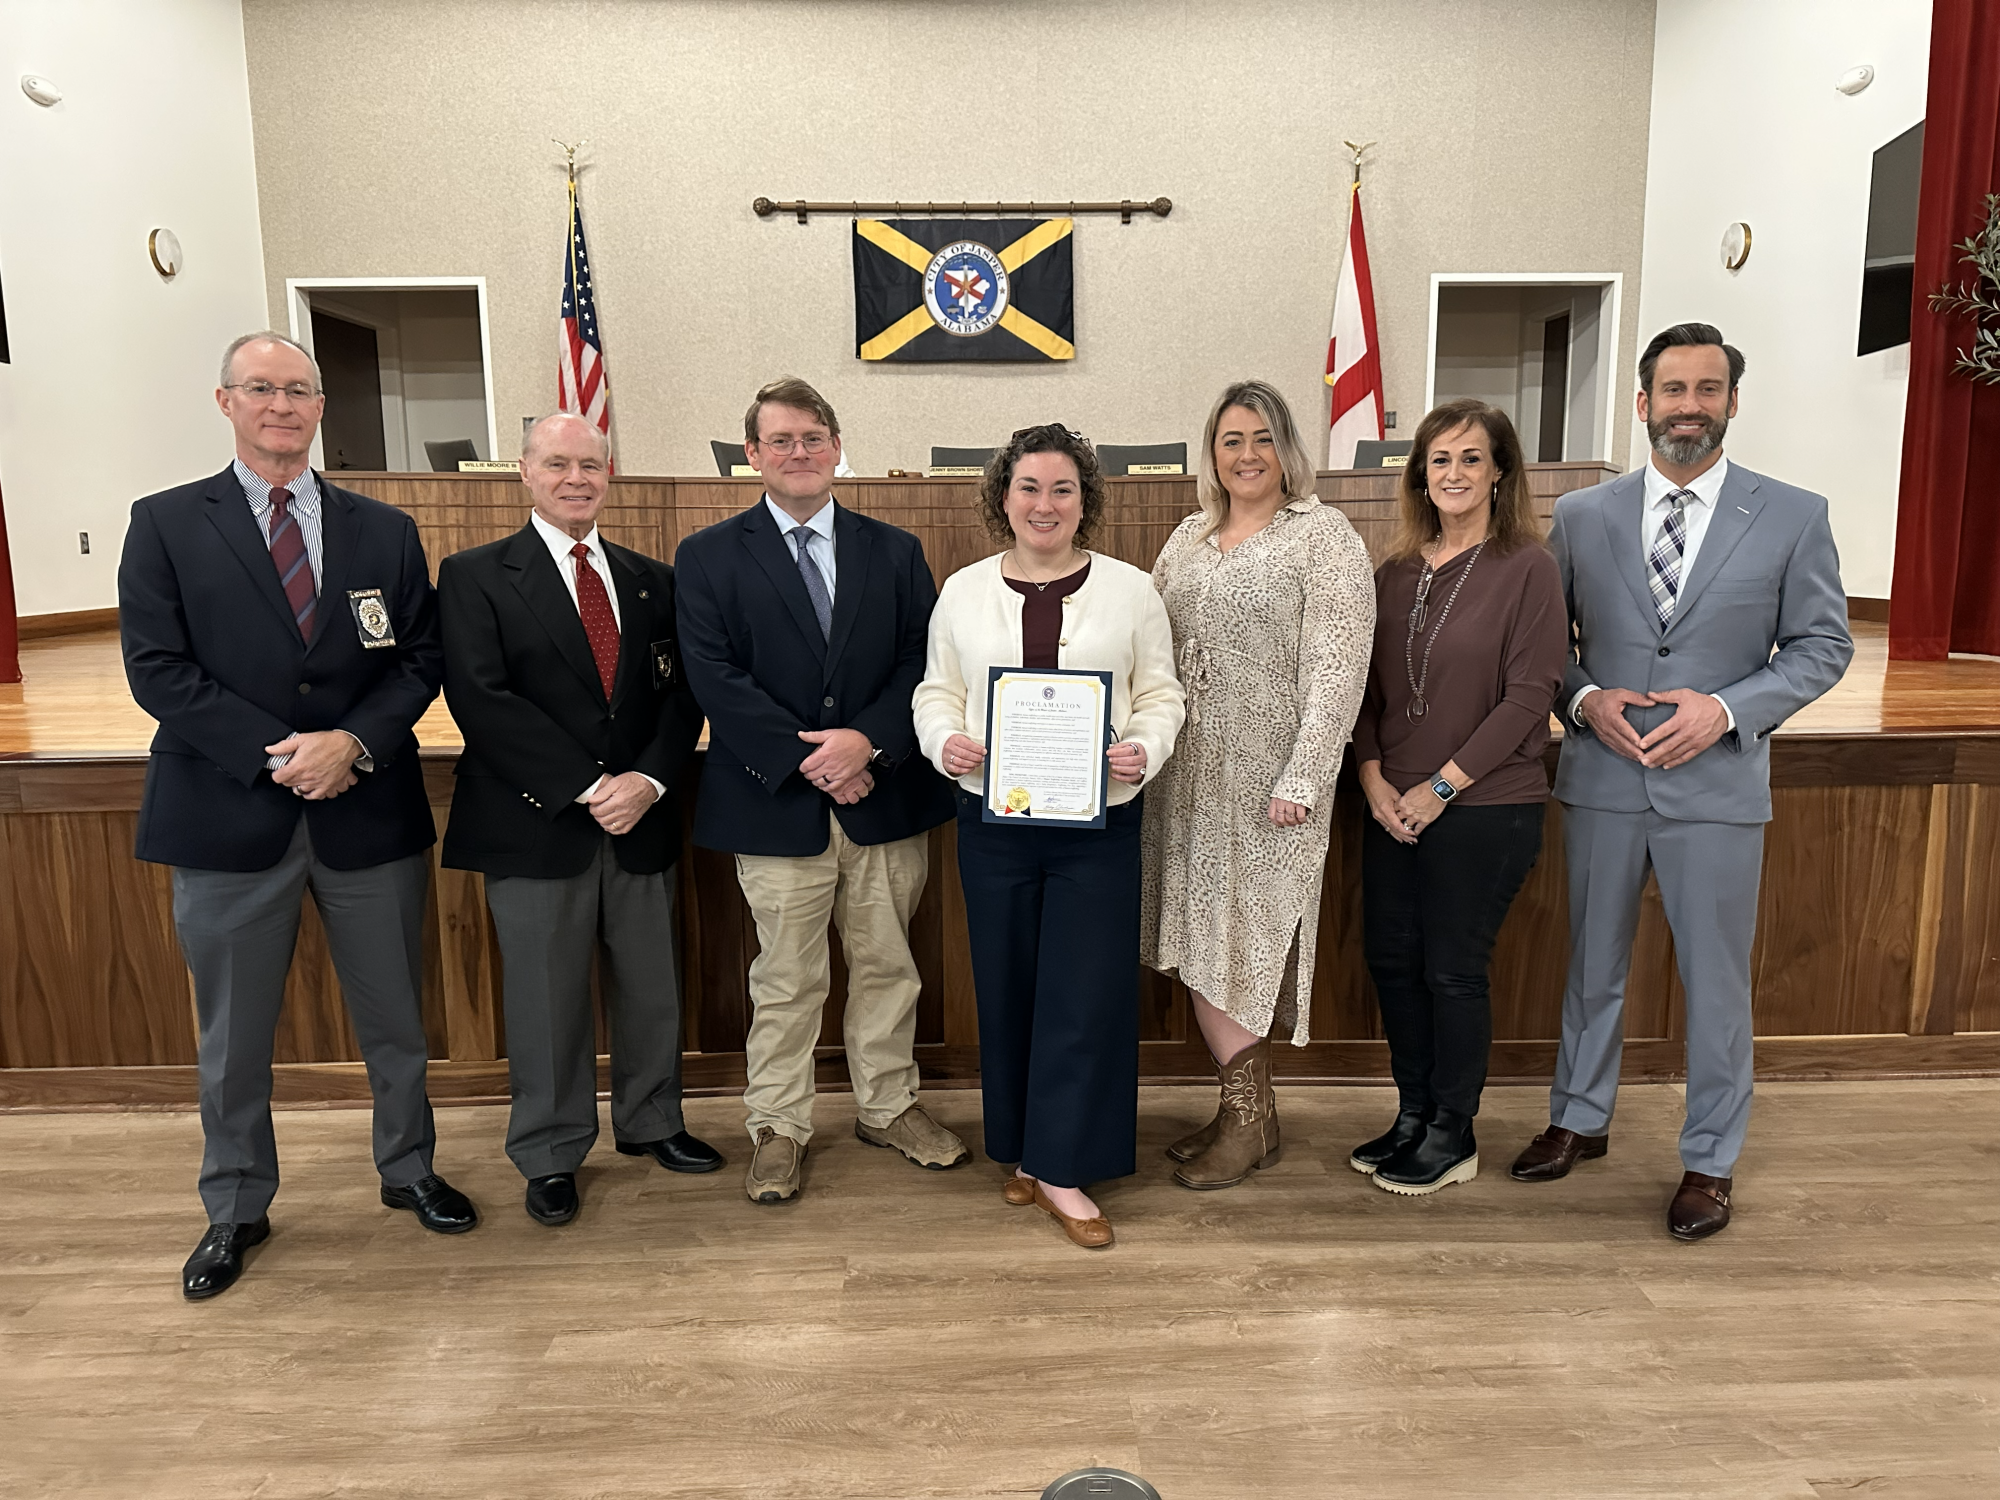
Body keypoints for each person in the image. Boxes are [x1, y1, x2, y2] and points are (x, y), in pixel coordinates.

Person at [119, 332, 474, 1301]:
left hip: (364, 808)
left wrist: (351, 744)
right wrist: (282, 753)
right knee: (232, 1034)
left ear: (321, 408)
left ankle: (408, 1170)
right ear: (225, 401)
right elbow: (156, 668)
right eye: (261, 389)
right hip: (230, 810)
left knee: (395, 1016)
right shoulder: (164, 524)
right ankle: (234, 1205)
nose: (282, 405)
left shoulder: (383, 530)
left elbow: (417, 660)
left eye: (299, 390)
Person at [1511, 324, 1852, 1240]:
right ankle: (1579, 1119)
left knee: (1716, 981)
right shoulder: (1582, 516)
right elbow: (1550, 650)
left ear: (1733, 402)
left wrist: (1728, 708)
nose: (1689, 407)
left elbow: (1825, 646)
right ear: (1642, 403)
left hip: (1717, 786)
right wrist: (1583, 703)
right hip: (1605, 779)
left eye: (1708, 390)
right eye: (1673, 390)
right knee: (1591, 967)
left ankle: (1710, 1159)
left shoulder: (1792, 514)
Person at [675, 378, 966, 1204]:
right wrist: (813, 758)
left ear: (837, 447)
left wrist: (866, 742)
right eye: (779, 441)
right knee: (786, 977)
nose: (797, 453)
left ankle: (888, 1106)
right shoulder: (707, 556)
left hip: (883, 799)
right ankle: (778, 1125)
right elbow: (714, 677)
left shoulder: (895, 551)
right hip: (775, 804)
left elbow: (923, 660)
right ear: (752, 456)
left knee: (888, 966)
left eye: (812, 437)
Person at [438, 412, 721, 1227]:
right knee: (545, 998)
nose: (575, 479)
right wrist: (590, 784)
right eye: (557, 463)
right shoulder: (475, 575)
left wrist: (649, 781)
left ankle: (652, 1120)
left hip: (642, 817)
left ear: (609, 475)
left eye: (590, 465)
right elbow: (481, 701)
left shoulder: (650, 579)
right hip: (538, 820)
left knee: (651, 987)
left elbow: (680, 696)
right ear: (524, 472)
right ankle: (551, 1150)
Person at [915, 423, 1185, 1248]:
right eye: (1029, 487)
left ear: (1085, 501)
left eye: (1062, 488)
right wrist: (944, 742)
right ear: (1004, 497)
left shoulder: (1132, 591)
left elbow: (1161, 695)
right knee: (1009, 987)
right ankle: (1026, 1151)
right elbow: (936, 692)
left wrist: (1144, 747)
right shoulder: (961, 591)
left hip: (1096, 825)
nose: (1045, 503)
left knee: (1082, 993)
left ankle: (1065, 1168)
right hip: (990, 822)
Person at [1140, 380, 1374, 1190]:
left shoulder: (1323, 537)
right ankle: (1248, 1113)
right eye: (1231, 439)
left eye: (1263, 438)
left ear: (1288, 449)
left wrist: (1305, 774)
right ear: (1211, 453)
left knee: (1247, 940)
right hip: (1186, 775)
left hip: (1269, 781)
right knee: (1205, 942)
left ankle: (1246, 1123)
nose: (1247, 455)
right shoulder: (1186, 537)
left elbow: (1338, 667)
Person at [1348, 399, 1567, 1195]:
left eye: (1471, 459)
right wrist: (1373, 777)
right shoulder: (1395, 571)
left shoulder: (1529, 568)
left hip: (1481, 807)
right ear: (1419, 475)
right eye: (1439, 460)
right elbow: (1362, 690)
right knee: (1393, 964)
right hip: (1390, 806)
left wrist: (1440, 788)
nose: (1454, 474)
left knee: (1452, 972)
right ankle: (1411, 1115)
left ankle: (1453, 1130)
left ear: (1500, 472)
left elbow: (1528, 697)